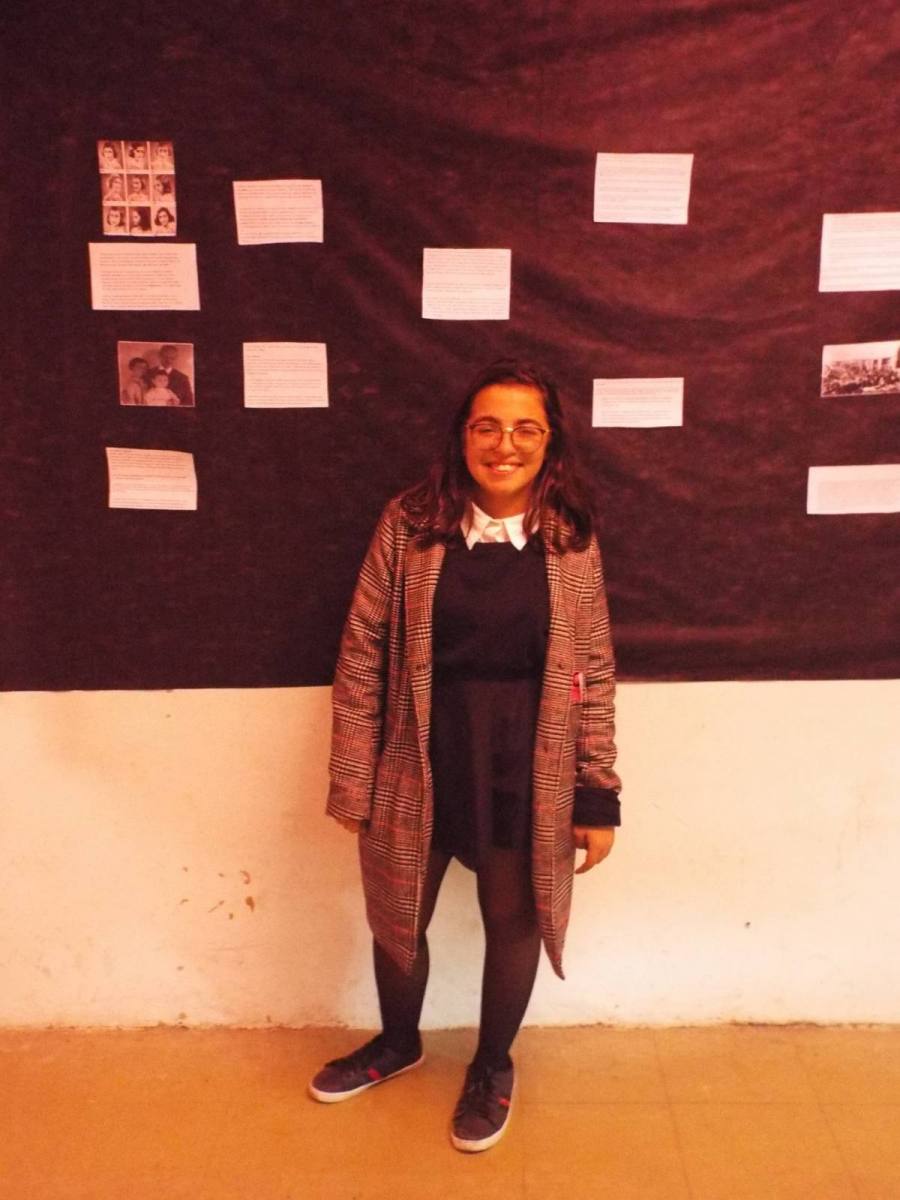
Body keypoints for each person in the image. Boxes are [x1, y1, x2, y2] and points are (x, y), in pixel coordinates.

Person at [309, 360, 621, 1153]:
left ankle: (490, 1066)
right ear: (462, 436)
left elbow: (591, 670)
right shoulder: (409, 525)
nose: (505, 444)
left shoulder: (570, 538)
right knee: (397, 915)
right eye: (488, 426)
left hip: (527, 763)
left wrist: (597, 795)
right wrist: (354, 777)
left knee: (513, 919)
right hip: (418, 752)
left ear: (550, 443)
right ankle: (397, 1044)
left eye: (526, 429)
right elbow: (362, 652)